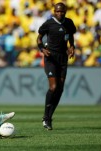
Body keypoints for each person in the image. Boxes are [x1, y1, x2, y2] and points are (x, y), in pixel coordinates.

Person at [36, 2, 76, 130]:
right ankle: (45, 117)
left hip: (63, 58)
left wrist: (72, 47)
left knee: (60, 89)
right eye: (57, 11)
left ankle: (48, 117)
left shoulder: (69, 23)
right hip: (50, 57)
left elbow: (71, 36)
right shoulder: (49, 23)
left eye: (62, 11)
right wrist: (42, 49)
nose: (60, 13)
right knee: (53, 87)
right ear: (54, 11)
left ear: (65, 12)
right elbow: (39, 38)